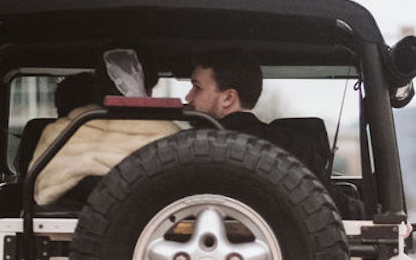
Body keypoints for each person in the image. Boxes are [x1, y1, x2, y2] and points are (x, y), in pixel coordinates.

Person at [32, 47, 180, 206]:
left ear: (98, 85)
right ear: (149, 87)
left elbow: (40, 193)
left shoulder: (60, 133)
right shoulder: (173, 139)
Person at [185, 49, 267, 135]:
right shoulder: (274, 142)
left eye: (198, 88)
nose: (188, 97)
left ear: (228, 98)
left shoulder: (194, 143)